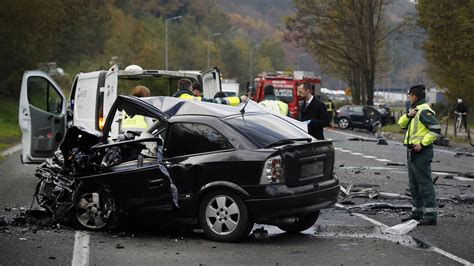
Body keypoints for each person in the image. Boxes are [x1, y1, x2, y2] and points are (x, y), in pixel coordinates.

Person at [398, 84, 441, 226]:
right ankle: (417, 213)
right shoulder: (414, 110)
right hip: (412, 151)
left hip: (421, 152)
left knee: (424, 184)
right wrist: (407, 115)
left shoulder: (424, 111)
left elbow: (436, 130)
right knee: (414, 184)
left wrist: (422, 144)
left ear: (414, 96)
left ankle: (430, 216)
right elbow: (401, 124)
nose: (409, 98)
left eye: (409, 95)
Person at [173, 78, 247, 106]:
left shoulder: (172, 99)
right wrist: (239, 99)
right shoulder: (191, 99)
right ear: (191, 88)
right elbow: (214, 102)